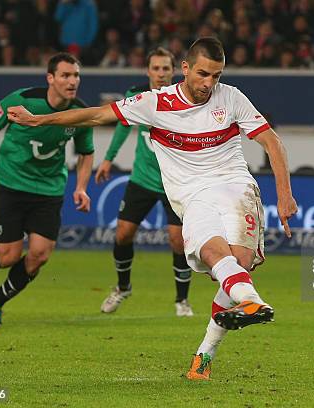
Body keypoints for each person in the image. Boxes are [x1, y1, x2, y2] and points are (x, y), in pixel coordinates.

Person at [7, 37, 298, 381]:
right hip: (194, 197)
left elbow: (271, 141)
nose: (209, 84)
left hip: (235, 186)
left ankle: (210, 348)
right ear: (185, 69)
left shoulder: (231, 97)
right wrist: (40, 121)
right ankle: (248, 304)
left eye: (216, 76)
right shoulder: (155, 103)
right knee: (216, 258)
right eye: (203, 74)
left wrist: (285, 195)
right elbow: (98, 114)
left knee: (238, 264)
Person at [0, 53, 94, 327]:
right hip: (12, 184)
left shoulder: (79, 112)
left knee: (40, 254)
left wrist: (81, 187)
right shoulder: (23, 99)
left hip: (50, 189)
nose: (72, 80)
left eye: (76, 75)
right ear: (50, 78)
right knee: (7, 256)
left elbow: (86, 153)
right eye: (65, 75)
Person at [96, 47, 194, 317]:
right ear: (148, 71)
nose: (161, 74)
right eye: (156, 68)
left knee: (178, 241)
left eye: (166, 69)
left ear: (174, 71)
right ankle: (122, 287)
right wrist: (107, 159)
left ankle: (181, 301)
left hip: (174, 182)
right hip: (142, 179)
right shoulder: (136, 97)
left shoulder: (183, 99)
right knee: (123, 234)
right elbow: (121, 125)